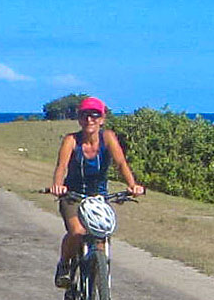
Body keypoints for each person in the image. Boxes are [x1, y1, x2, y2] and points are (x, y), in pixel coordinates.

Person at [46, 97, 144, 289]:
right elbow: (61, 166)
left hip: (99, 197)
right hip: (73, 196)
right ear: (79, 119)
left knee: (100, 238)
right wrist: (58, 186)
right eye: (85, 115)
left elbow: (121, 163)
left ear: (102, 119)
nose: (90, 119)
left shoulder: (107, 138)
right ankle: (65, 265)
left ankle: (99, 298)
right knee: (77, 232)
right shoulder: (71, 140)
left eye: (94, 115)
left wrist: (133, 186)